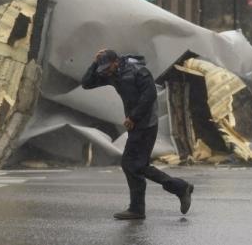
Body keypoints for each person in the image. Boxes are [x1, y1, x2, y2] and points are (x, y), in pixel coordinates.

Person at [81, 49, 194, 220]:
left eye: (107, 67)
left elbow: (149, 96)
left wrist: (133, 117)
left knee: (134, 164)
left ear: (116, 61)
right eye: (103, 69)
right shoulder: (112, 73)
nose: (106, 71)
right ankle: (144, 205)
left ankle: (172, 191)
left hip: (147, 123)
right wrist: (95, 63)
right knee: (133, 165)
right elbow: (86, 83)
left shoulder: (138, 71)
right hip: (136, 125)